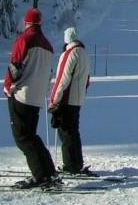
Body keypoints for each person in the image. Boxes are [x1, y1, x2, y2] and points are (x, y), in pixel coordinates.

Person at [3, 7, 57, 189]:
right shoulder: (48, 44)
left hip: (22, 93)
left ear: (27, 23)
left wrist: (7, 85)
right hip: (37, 96)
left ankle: (40, 174)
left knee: (23, 137)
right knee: (31, 135)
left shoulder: (25, 39)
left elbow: (15, 66)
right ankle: (49, 171)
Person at [49, 27, 91, 174]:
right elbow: (87, 79)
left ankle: (70, 165)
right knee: (73, 132)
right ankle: (76, 163)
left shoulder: (69, 53)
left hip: (66, 98)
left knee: (65, 132)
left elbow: (62, 78)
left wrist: (54, 99)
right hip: (77, 99)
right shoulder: (84, 53)